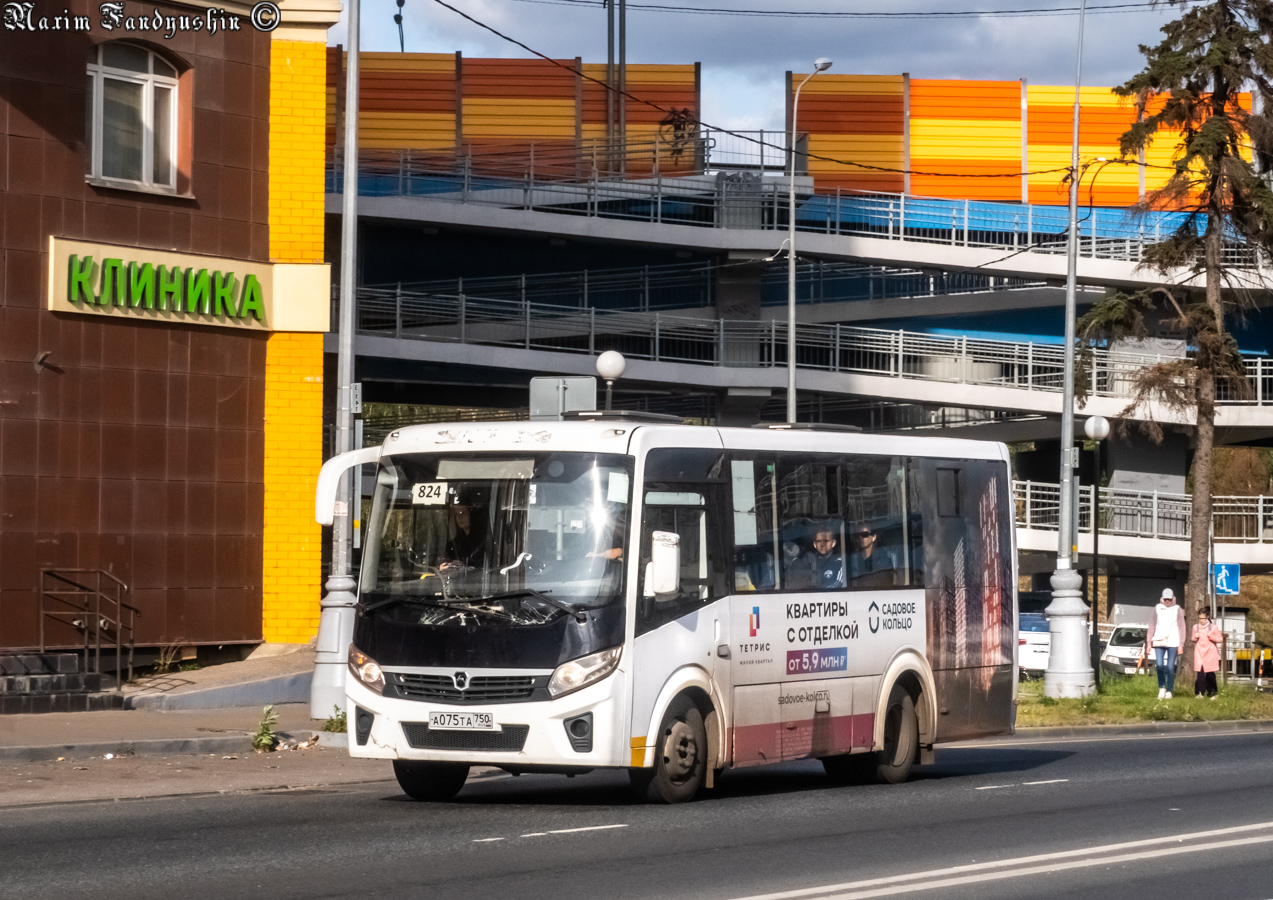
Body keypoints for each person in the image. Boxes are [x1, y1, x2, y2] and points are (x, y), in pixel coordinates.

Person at [1146, 588, 1186, 700]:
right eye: (1165, 599)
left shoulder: (1177, 609)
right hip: (1159, 640)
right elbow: (1152, 625)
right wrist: (1149, 642)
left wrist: (1181, 643)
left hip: (1173, 641)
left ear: (1173, 598)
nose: (1167, 601)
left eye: (1169, 599)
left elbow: (1182, 627)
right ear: (1162, 598)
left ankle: (1169, 690)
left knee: (1170, 666)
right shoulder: (1157, 608)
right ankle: (1162, 687)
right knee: (1159, 665)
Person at [441, 503, 485, 571]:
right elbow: (445, 562)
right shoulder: (452, 545)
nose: (459, 517)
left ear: (471, 514)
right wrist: (443, 567)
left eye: (463, 513)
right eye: (456, 514)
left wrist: (464, 565)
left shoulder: (483, 542)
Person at [1192, 608, 1224, 699]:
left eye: (1203, 618)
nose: (1201, 621)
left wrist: (1211, 636)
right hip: (1199, 651)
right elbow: (1193, 639)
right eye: (1199, 618)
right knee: (1200, 673)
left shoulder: (1213, 627)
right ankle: (1199, 693)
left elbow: (1220, 639)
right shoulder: (1195, 627)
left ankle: (1213, 693)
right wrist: (1195, 637)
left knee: (1210, 673)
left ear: (1207, 617)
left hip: (1210, 652)